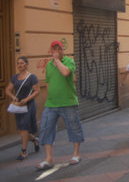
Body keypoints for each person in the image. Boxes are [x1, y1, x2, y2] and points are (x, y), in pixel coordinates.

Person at [37, 40, 84, 170]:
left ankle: (76, 155)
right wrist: (50, 95)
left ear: (63, 50)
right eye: (54, 49)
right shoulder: (48, 66)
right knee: (46, 128)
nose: (57, 51)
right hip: (51, 103)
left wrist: (57, 61)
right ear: (51, 51)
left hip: (68, 102)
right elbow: (48, 82)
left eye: (59, 49)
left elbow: (65, 73)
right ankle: (49, 158)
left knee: (74, 127)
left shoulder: (69, 61)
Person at [5, 56, 40, 161]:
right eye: (18, 63)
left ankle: (24, 151)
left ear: (26, 64)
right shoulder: (15, 77)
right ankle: (34, 140)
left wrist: (26, 99)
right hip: (18, 106)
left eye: (22, 63)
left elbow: (37, 91)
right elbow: (7, 90)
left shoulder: (32, 77)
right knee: (21, 129)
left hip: (28, 105)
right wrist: (13, 97)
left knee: (24, 128)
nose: (20, 65)